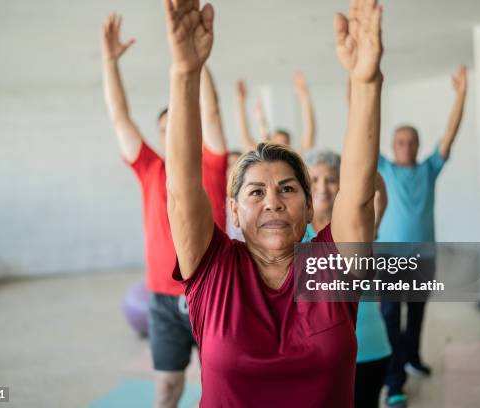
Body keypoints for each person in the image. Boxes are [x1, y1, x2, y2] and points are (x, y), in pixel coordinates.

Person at [163, 0, 383, 406]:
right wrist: (185, 72)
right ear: (233, 210)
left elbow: (357, 195)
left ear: (310, 205)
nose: (273, 202)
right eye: (255, 192)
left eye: (287, 189)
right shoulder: (213, 269)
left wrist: (366, 82)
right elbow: (180, 189)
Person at [100, 13, 227, 407]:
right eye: (166, 127)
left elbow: (211, 112)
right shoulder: (150, 168)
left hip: (211, 292)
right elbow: (120, 118)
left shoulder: (213, 161)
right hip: (161, 298)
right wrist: (109, 62)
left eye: (181, 124)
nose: (174, 133)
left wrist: (195, 60)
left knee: (221, 385)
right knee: (167, 388)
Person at [378, 65, 467, 408]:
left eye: (412, 141)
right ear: (392, 145)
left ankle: (413, 358)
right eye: (401, 141)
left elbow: (449, 134)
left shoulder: (429, 169)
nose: (407, 145)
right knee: (389, 319)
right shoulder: (383, 169)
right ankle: (395, 380)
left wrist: (460, 94)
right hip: (387, 259)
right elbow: (363, 130)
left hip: (423, 259)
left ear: (417, 145)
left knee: (415, 316)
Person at [305, 150, 392, 408]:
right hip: (316, 357)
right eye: (314, 179)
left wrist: (359, 168)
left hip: (368, 349)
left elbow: (379, 196)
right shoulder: (294, 233)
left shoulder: (358, 229)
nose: (322, 187)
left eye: (331, 179)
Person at [235, 71, 315, 151]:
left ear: (289, 145)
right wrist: (240, 101)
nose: (280, 146)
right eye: (277, 142)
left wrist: (305, 97)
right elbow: (245, 136)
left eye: (284, 143)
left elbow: (309, 137)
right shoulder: (262, 156)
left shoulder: (293, 158)